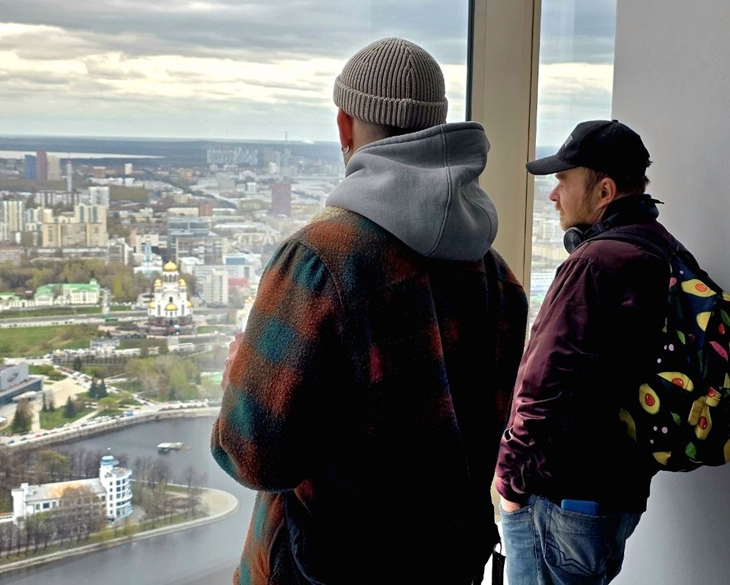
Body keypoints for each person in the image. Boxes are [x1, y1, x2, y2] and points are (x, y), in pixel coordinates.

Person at [211, 37, 529, 585]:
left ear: (345, 126)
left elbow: (254, 455)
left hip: (326, 568)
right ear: (436, 127)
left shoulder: (319, 261)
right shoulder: (495, 275)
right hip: (447, 564)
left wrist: (244, 372)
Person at [495, 119, 674, 584]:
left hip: (562, 499)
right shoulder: (665, 251)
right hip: (618, 495)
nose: (554, 195)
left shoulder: (594, 265)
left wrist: (509, 483)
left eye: (563, 180)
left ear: (604, 191)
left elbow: (543, 385)